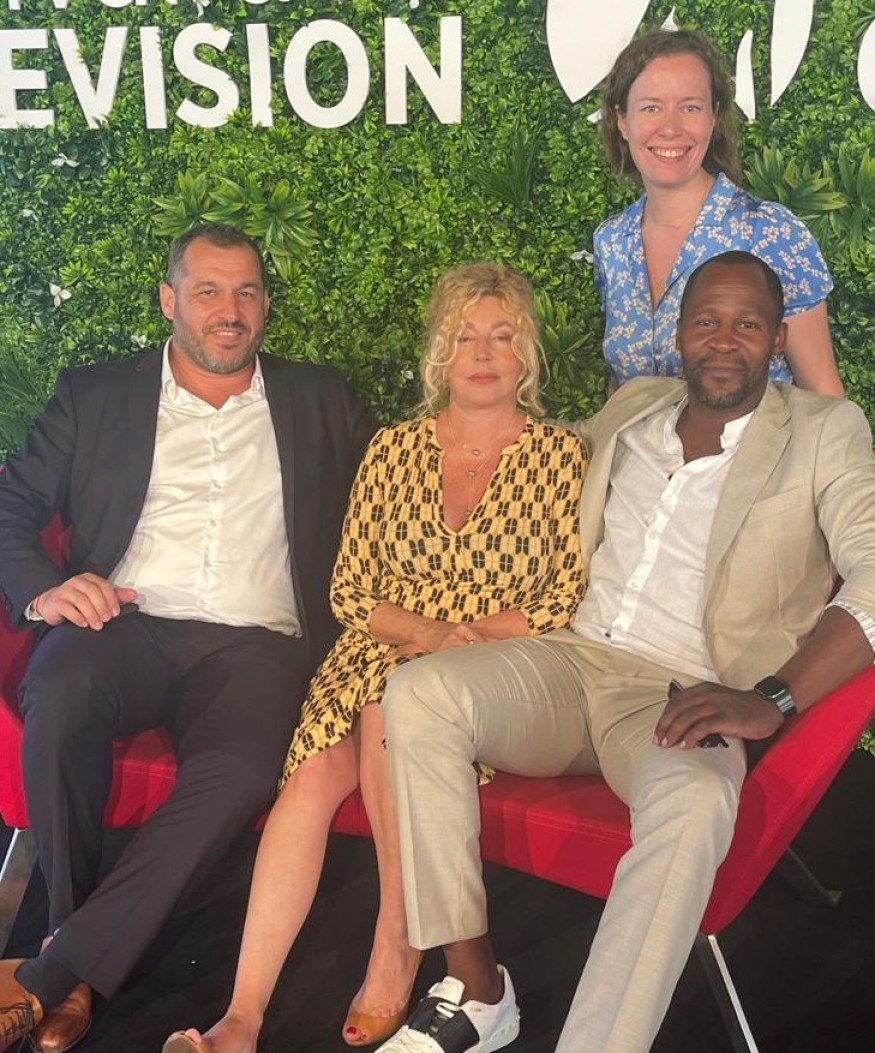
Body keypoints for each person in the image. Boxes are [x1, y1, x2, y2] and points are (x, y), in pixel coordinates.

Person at [374, 251, 875, 1053]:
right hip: (570, 660)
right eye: (705, 321)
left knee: (694, 800)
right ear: (678, 333)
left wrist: (773, 696)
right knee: (421, 691)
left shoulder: (823, 432)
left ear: (778, 338)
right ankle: (475, 988)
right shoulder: (634, 406)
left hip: (686, 694)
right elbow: (529, 464)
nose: (723, 340)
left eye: (746, 324)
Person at [162, 262, 588, 1053]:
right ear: (438, 353)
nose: (482, 353)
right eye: (463, 336)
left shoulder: (562, 454)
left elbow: (563, 594)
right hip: (382, 645)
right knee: (311, 776)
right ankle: (240, 1016)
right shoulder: (392, 449)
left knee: (393, 715)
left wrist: (467, 641)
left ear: (526, 353)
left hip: (491, 666)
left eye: (501, 336)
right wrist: (426, 634)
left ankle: (395, 944)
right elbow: (350, 589)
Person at [0, 223, 374, 1053]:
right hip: (123, 620)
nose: (228, 311)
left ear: (265, 306)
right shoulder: (95, 394)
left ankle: (55, 972)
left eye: (245, 292)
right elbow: (11, 505)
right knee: (58, 692)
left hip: (256, 644)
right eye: (207, 291)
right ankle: (72, 937)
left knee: (239, 770)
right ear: (169, 300)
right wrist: (45, 590)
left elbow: (394, 502)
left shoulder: (320, 400)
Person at [594, 27, 844, 396]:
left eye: (690, 107)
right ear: (622, 120)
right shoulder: (611, 242)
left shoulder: (770, 233)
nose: (670, 128)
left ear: (714, 117)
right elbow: (621, 387)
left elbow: (822, 392)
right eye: (651, 108)